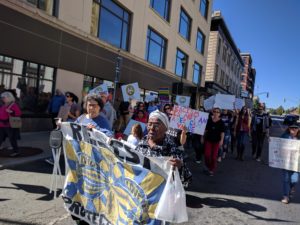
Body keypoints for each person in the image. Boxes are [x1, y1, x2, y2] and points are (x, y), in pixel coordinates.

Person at [280, 122, 300, 204]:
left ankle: (291, 188)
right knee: (286, 179)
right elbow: (277, 143)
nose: (293, 129)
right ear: (289, 128)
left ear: (298, 129)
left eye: (295, 128)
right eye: (292, 128)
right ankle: (286, 196)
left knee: (294, 180)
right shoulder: (284, 136)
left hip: (297, 163)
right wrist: (271, 141)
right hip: (286, 162)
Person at [202, 107, 225, 176]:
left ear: (219, 114)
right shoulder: (209, 120)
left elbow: (222, 132)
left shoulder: (221, 122)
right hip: (208, 140)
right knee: (207, 155)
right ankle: (208, 166)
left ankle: (211, 169)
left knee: (214, 157)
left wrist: (221, 140)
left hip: (216, 141)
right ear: (213, 112)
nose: (216, 113)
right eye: (215, 111)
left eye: (218, 112)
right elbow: (205, 130)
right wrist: (202, 137)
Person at [0, 91, 22, 157]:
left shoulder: (13, 105)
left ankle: (16, 151)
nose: (2, 99)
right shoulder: (4, 105)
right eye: (2, 98)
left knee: (12, 138)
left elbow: (19, 113)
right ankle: (16, 151)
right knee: (0, 138)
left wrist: (12, 112)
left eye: (4, 97)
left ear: (9, 97)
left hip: (9, 125)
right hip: (2, 124)